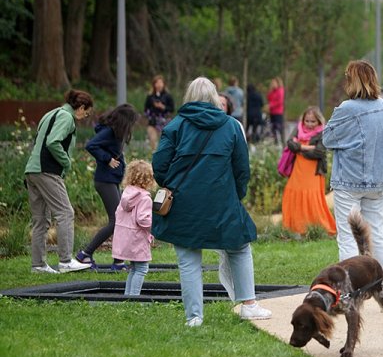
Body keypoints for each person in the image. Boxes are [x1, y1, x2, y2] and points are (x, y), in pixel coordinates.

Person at [152, 77, 271, 327]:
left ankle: (194, 316)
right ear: (215, 97)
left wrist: (172, 184)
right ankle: (248, 304)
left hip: (183, 201)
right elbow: (242, 168)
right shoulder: (231, 126)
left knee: (188, 258)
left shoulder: (176, 125)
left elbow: (159, 166)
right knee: (239, 247)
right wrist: (235, 194)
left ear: (189, 96)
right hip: (222, 200)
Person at [322, 60, 383, 312]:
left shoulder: (346, 108)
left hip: (349, 181)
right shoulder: (382, 105)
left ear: (353, 80)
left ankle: (349, 296)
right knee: (378, 238)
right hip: (378, 181)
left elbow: (327, 138)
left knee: (348, 238)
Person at [25, 90, 95, 274]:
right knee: (65, 213)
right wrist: (66, 162)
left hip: (32, 170)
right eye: (86, 113)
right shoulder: (67, 117)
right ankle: (65, 261)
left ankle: (38, 265)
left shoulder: (51, 113)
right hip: (47, 171)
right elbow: (52, 142)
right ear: (80, 107)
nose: (84, 116)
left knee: (40, 220)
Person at [75, 104, 141, 270]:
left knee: (121, 219)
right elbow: (91, 145)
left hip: (111, 180)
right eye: (131, 122)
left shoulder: (115, 133)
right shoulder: (109, 132)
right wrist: (107, 159)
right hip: (105, 181)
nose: (132, 127)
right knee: (117, 220)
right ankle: (85, 254)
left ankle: (118, 261)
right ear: (125, 121)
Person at [282, 106, 337, 236]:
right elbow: (290, 144)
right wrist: (307, 147)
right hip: (298, 169)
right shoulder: (299, 128)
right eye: (307, 121)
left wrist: (299, 147)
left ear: (319, 121)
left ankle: (314, 228)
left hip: (313, 171)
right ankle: (295, 227)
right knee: (292, 194)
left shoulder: (323, 132)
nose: (309, 124)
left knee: (312, 199)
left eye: (313, 121)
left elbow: (319, 152)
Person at [111, 160, 155, 296]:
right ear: (148, 179)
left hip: (126, 238)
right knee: (141, 268)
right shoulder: (144, 198)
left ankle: (128, 296)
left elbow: (118, 214)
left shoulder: (126, 194)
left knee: (134, 268)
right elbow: (142, 219)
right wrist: (155, 225)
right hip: (137, 239)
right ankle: (134, 298)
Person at [144, 75, 175, 152]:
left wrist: (163, 107)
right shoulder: (150, 96)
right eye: (157, 83)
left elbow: (172, 109)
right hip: (153, 122)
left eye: (160, 83)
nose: (159, 85)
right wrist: (153, 108)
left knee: (163, 143)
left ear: (164, 84)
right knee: (153, 142)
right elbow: (146, 109)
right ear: (154, 84)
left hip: (164, 123)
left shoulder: (168, 96)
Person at [267, 77, 285, 146]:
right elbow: (269, 98)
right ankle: (275, 142)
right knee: (273, 128)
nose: (273, 84)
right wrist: (270, 90)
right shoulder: (273, 91)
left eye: (274, 83)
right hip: (272, 112)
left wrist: (271, 105)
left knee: (278, 128)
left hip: (278, 112)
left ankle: (280, 142)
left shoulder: (280, 90)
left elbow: (279, 101)